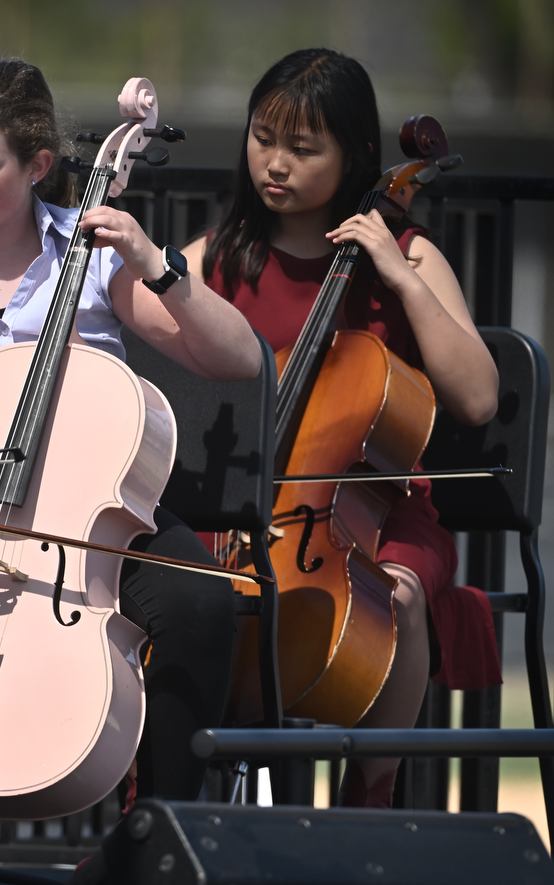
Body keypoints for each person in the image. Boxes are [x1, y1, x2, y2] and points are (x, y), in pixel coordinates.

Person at [0, 60, 262, 805]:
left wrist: (155, 263)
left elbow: (238, 359)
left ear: (37, 166)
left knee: (201, 604)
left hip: (87, 502)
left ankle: (159, 820)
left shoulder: (93, 254)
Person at [187, 47, 501, 807]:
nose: (276, 164)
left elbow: (479, 396)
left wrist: (396, 271)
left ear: (356, 155)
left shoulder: (412, 253)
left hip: (378, 509)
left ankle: (369, 800)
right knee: (169, 586)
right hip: (241, 502)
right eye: (264, 138)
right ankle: (163, 796)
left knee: (393, 595)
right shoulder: (219, 257)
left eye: (303, 148)